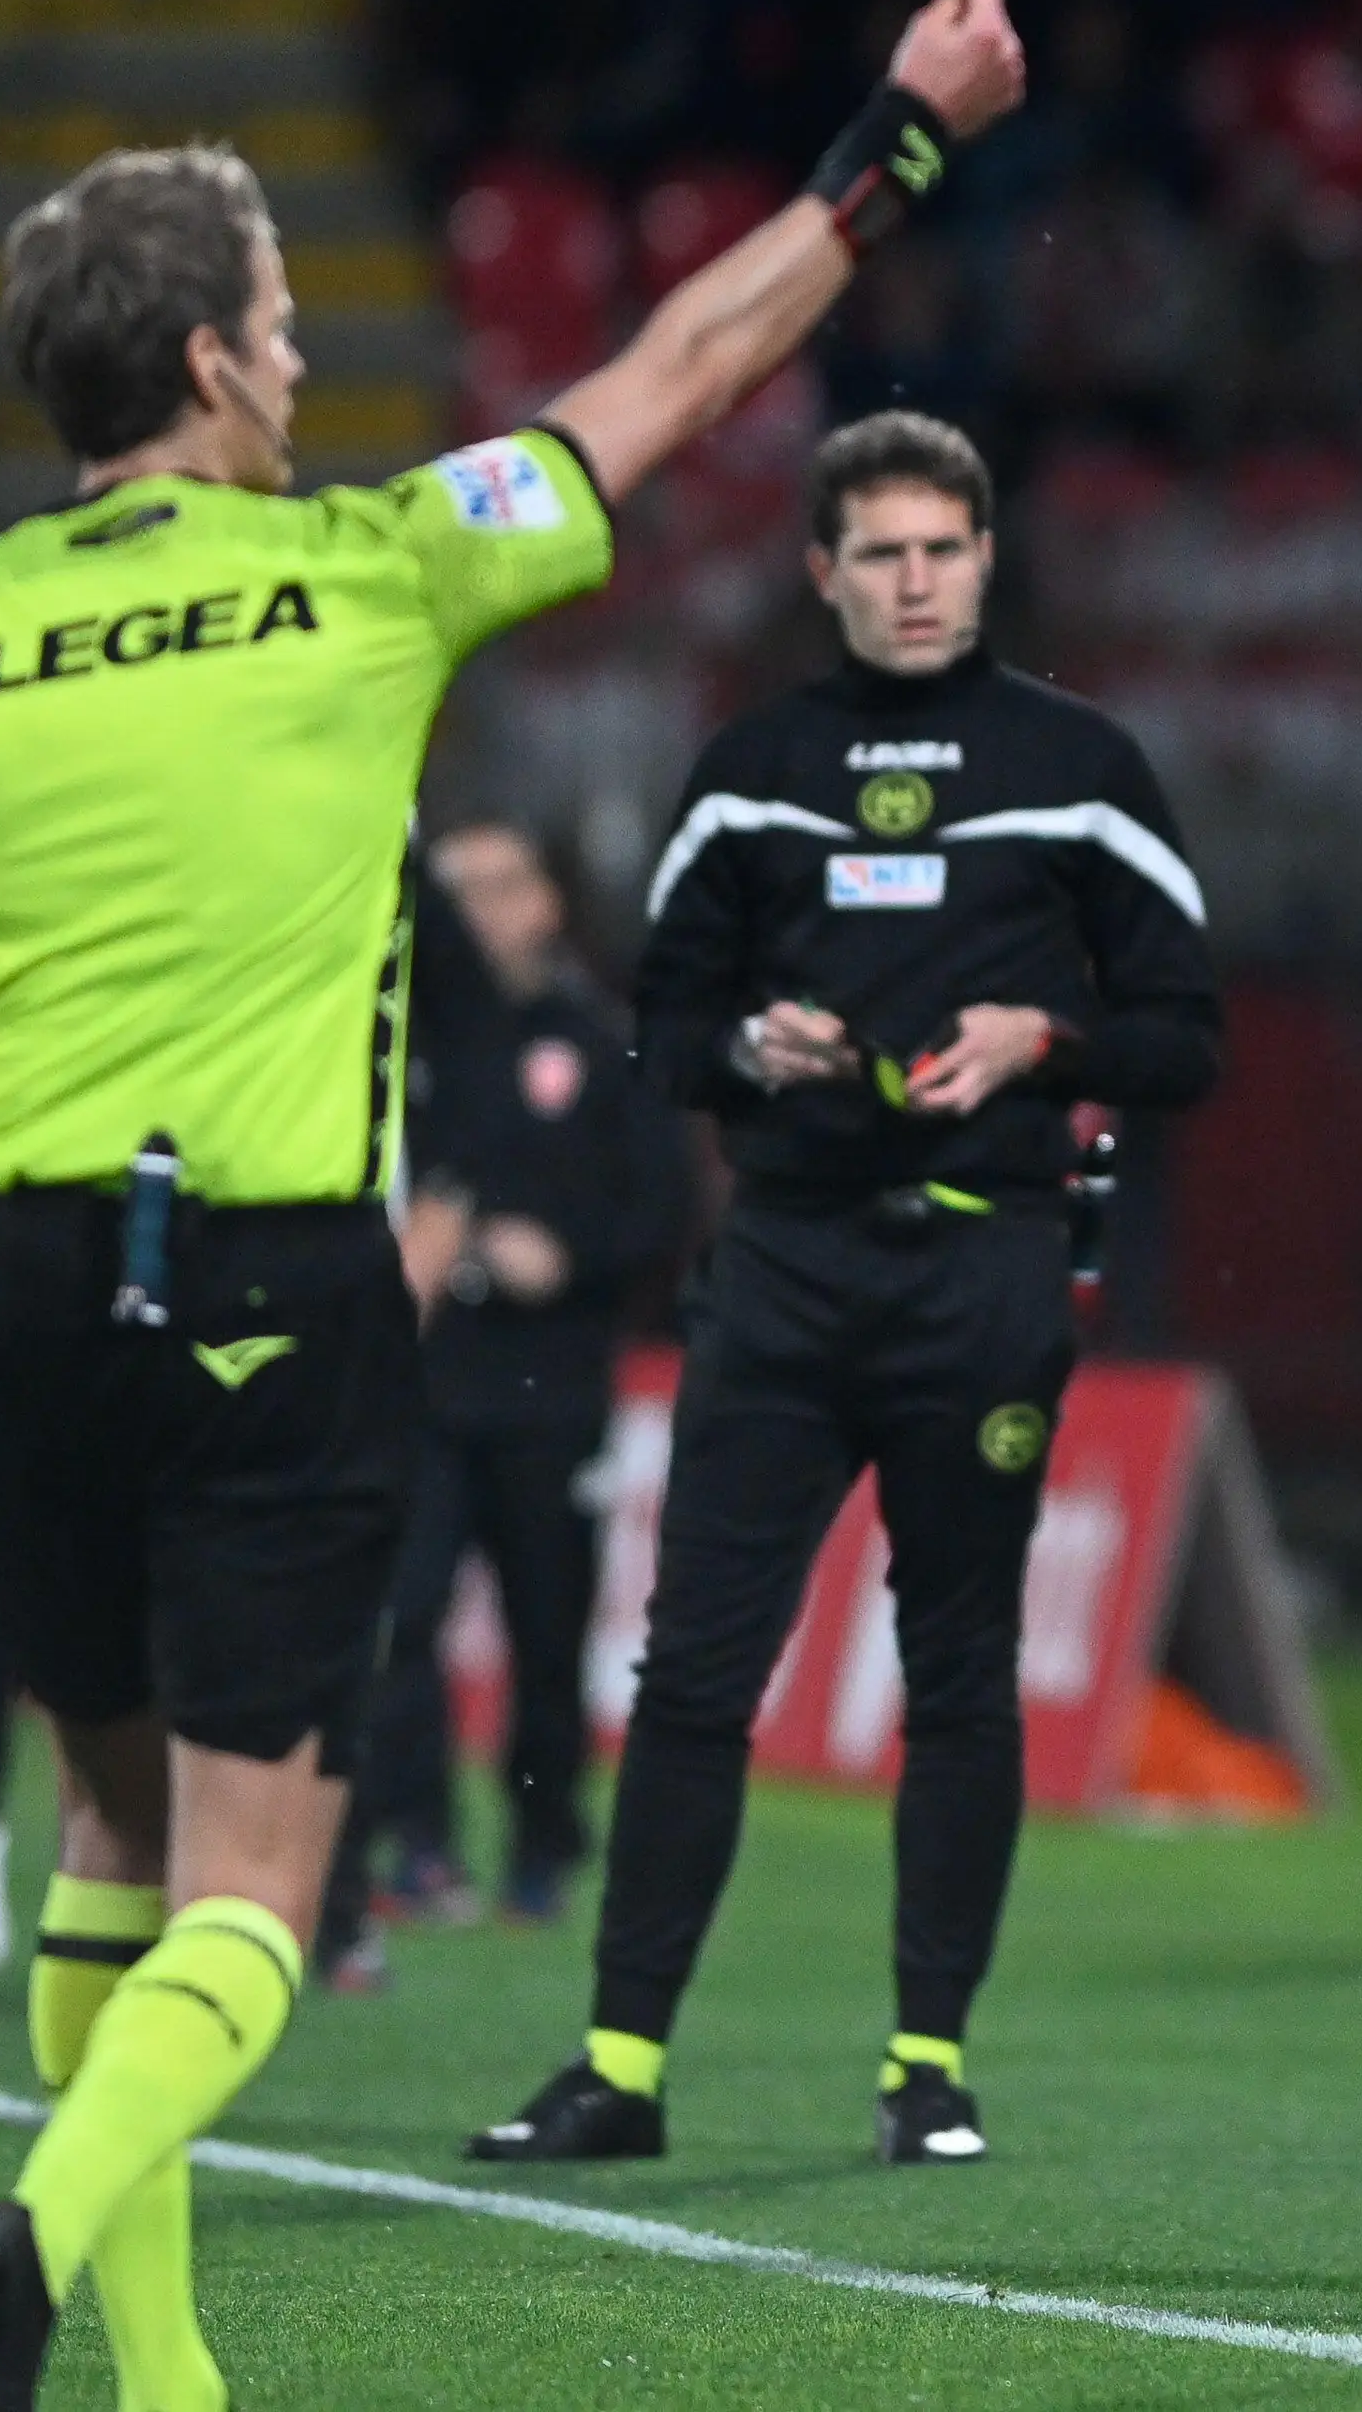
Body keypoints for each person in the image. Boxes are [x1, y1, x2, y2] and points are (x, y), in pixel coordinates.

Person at [0, 0, 1027, 2407]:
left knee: (107, 1822)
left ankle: (166, 2375)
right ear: (220, 364)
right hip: (262, 1273)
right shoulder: (374, 560)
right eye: (277, 321)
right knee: (258, 1880)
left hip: (13, 1276)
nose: (294, 354)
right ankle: (21, 2255)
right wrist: (902, 137)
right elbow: (680, 366)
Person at [465, 408, 1219, 2170]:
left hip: (986, 1266)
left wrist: (1045, 1040)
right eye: (881, 552)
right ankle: (620, 2067)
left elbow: (1188, 1037)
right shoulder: (752, 772)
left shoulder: (1082, 768)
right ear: (824, 572)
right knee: (692, 1668)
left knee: (958, 1671)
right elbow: (660, 1030)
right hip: (789, 1270)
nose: (915, 580)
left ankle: (927, 2067)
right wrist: (748, 1045)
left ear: (986, 558)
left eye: (943, 549)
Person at [371, 825, 692, 1924]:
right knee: (402, 1616)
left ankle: (542, 1842)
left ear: (546, 902)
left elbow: (662, 1211)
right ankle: (418, 1839)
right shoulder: (395, 1044)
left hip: (549, 1385)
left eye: (501, 885)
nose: (477, 910)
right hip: (421, 1381)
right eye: (456, 891)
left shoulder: (602, 1046)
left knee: (547, 1629)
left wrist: (565, 1257)